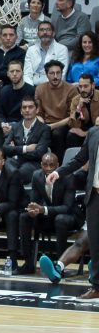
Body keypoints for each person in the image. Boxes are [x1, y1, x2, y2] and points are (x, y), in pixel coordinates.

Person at [46, 128, 99, 299]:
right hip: (95, 195)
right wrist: (58, 172)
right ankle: (97, 287)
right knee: (95, 244)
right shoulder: (93, 133)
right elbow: (79, 159)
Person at [19, 152, 79, 275]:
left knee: (60, 219)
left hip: (69, 217)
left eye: (52, 165)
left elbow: (67, 207)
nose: (48, 168)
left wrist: (43, 210)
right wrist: (33, 210)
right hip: (48, 216)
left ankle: (59, 266)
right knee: (24, 217)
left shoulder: (68, 177)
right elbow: (34, 200)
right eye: (45, 165)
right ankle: (28, 263)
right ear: (41, 165)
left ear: (58, 165)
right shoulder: (36, 175)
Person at [35, 59, 78, 159]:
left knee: (57, 133)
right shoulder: (40, 89)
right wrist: (43, 125)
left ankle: (58, 163)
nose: (55, 76)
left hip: (64, 123)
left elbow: (73, 115)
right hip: (46, 123)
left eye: (58, 73)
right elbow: (38, 112)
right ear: (46, 74)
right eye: (52, 73)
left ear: (62, 73)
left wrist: (51, 126)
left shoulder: (71, 89)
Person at [2, 96, 51, 184]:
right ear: (21, 111)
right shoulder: (15, 127)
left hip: (33, 163)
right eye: (24, 107)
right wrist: (26, 148)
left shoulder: (44, 129)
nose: (27, 110)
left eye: (30, 107)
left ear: (37, 110)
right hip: (15, 161)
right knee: (4, 169)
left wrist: (15, 150)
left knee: (18, 174)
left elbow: (39, 153)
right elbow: (5, 149)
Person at [24, 21, 69, 86]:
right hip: (33, 86)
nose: (45, 32)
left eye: (48, 30)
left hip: (54, 87)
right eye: (42, 30)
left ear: (53, 33)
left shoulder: (62, 49)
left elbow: (62, 74)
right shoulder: (31, 50)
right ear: (38, 34)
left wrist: (44, 89)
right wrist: (30, 89)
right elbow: (27, 74)